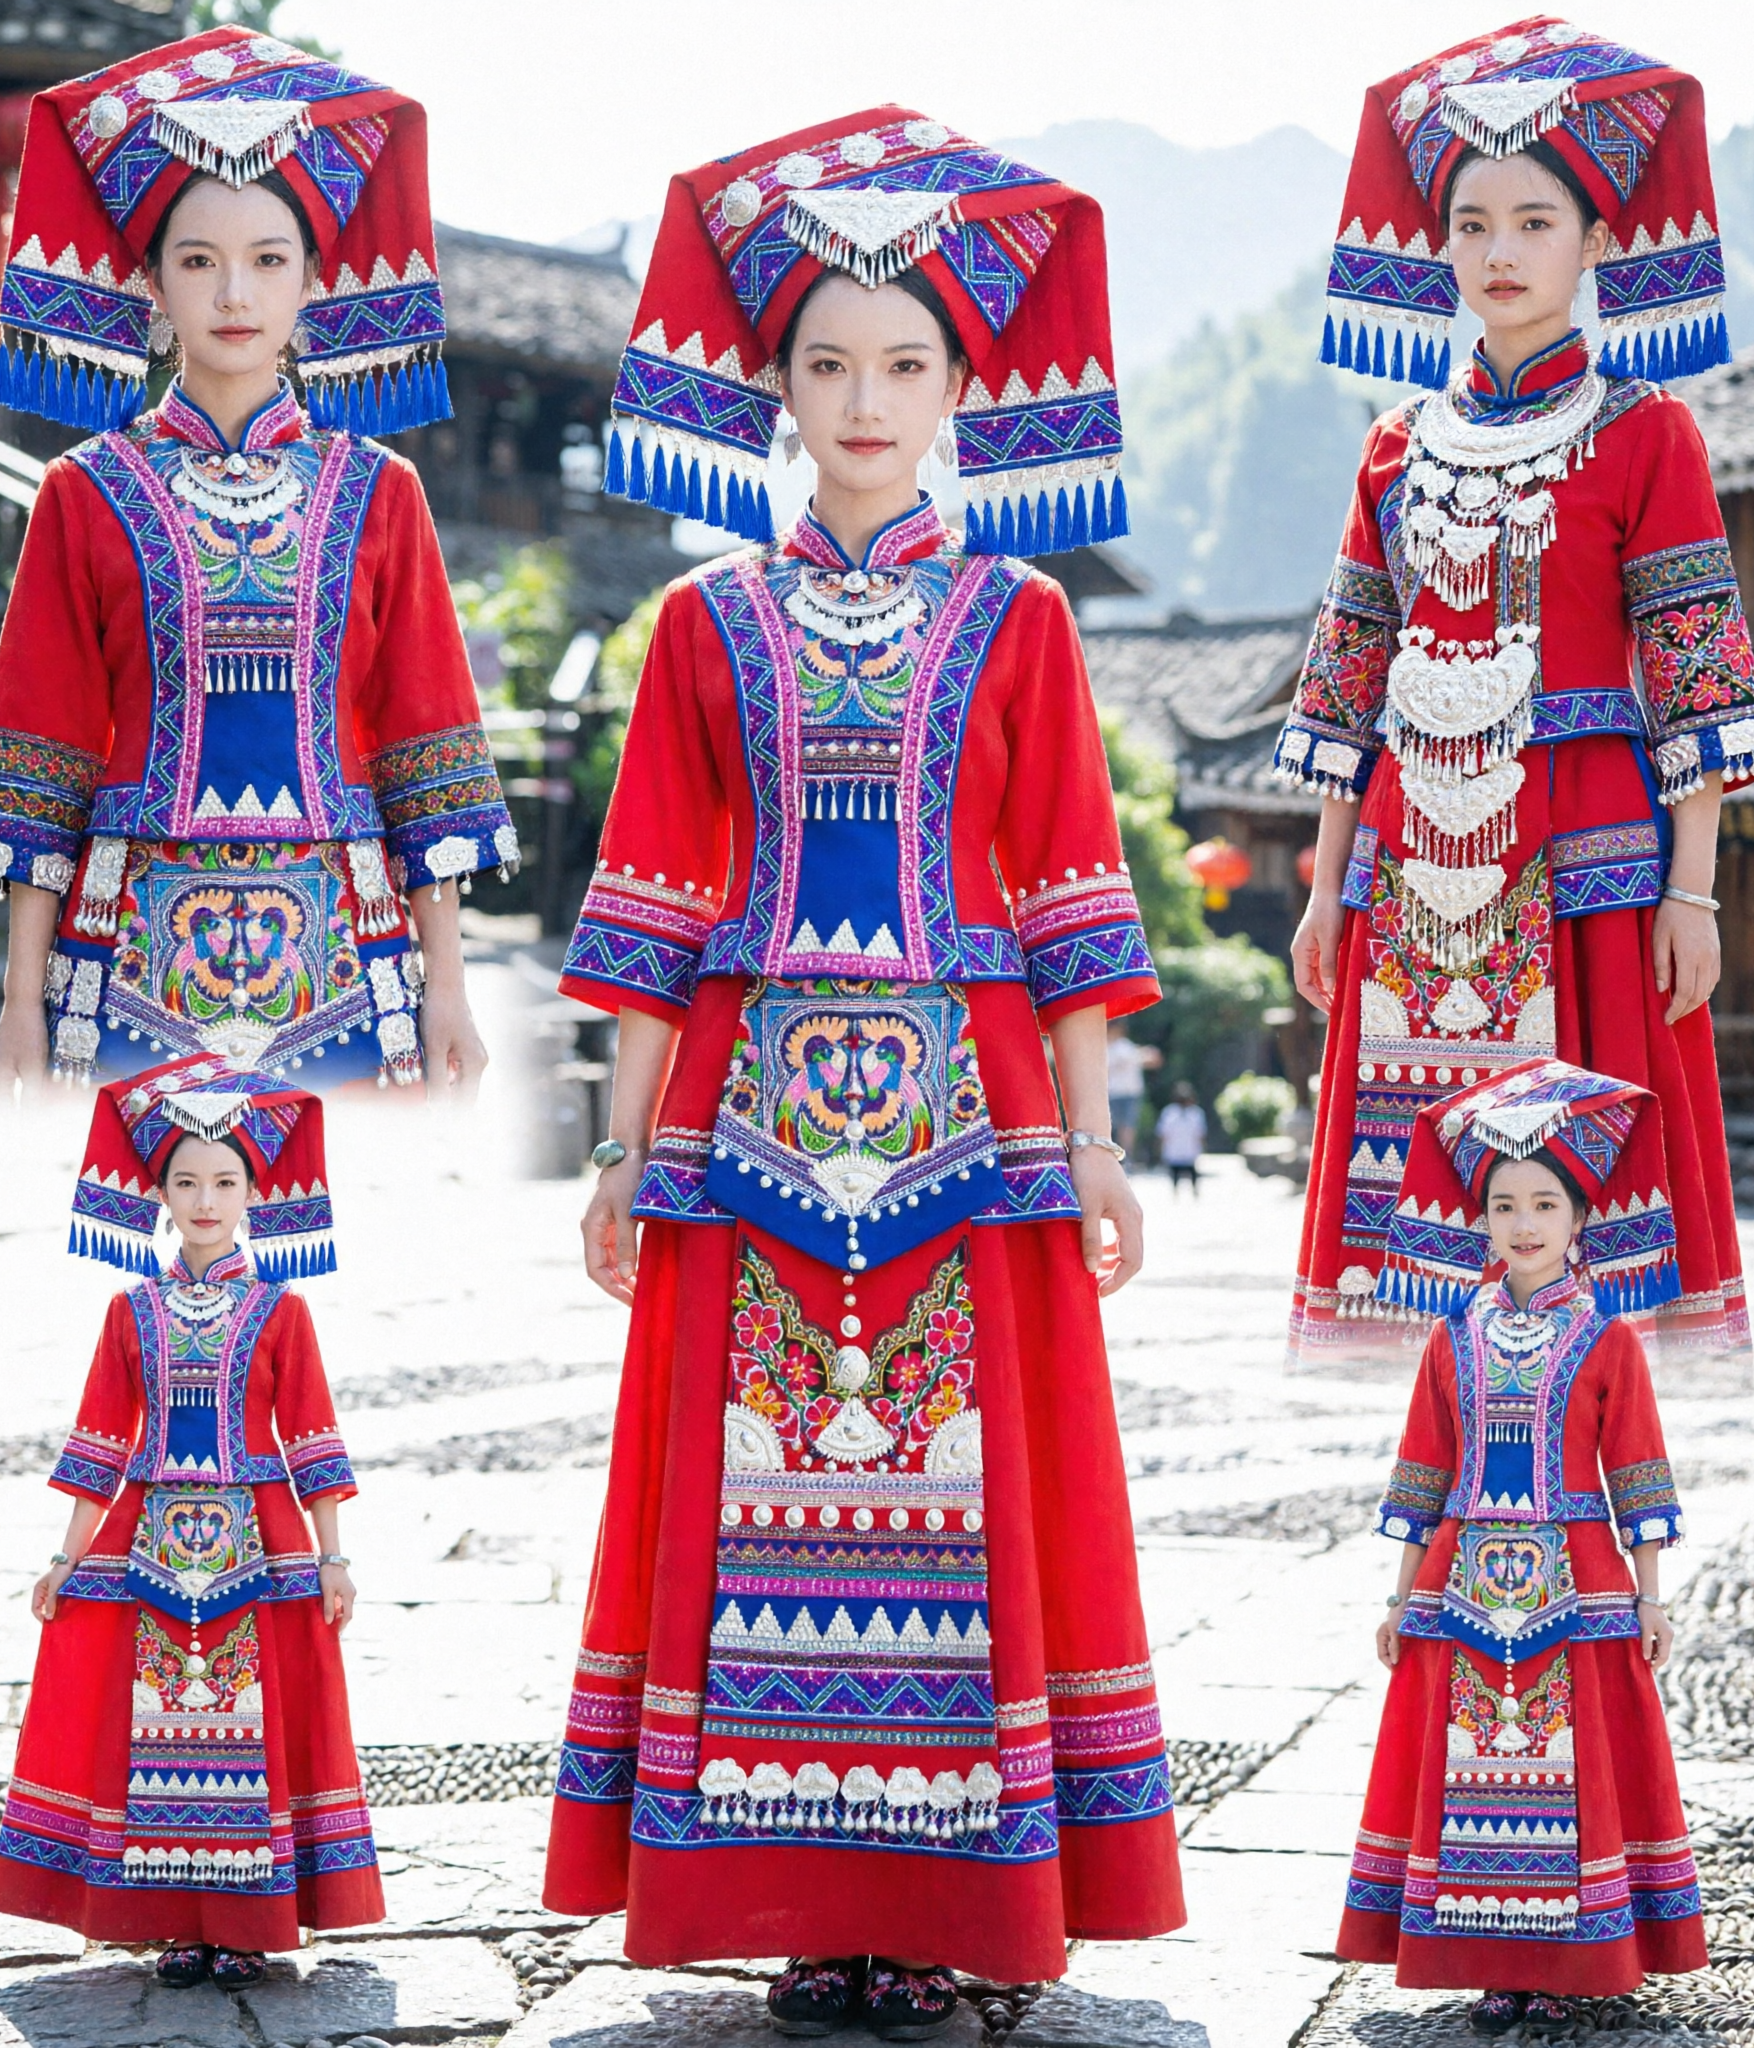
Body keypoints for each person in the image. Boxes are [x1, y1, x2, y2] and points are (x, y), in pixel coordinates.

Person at [543, 107, 1185, 2025]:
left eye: (903, 363)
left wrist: (1089, 1145)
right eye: (824, 362)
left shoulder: (1023, 619)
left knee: (963, 1500)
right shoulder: (699, 622)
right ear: (772, 388)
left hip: (969, 1124)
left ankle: (955, 1899)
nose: (862, 395)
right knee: (752, 1503)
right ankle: (798, 1895)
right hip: (740, 1129)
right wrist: (616, 1148)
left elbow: (1070, 891)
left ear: (960, 387)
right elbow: (653, 901)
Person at [1277, 21, 1754, 1367]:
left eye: (1535, 220)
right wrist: (1326, 890)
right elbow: (1346, 690)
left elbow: (1695, 676)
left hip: (1587, 853)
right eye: (1474, 221)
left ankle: (1588, 1512)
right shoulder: (1393, 446)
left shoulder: (1647, 430)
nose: (1501, 250)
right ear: (1438, 243)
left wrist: (1693, 889)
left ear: (1596, 241)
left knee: (1592, 1222)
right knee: (1422, 1238)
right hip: (1410, 858)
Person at [0, 25, 516, 1098]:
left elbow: (423, 751)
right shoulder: (86, 491)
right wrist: (18, 1011)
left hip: (351, 961)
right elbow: (41, 755)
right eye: (198, 261)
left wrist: (450, 987)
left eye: (268, 260)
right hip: (121, 966)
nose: (234, 295)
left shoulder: (380, 491)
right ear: (150, 285)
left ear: (312, 282)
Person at [0, 1055, 379, 1984]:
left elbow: (313, 1439)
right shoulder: (129, 1311)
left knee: (251, 1724)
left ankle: (247, 1923)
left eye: (226, 1181)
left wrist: (334, 1559)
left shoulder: (283, 1310)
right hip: (149, 1541)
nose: (207, 1199)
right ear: (158, 1195)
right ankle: (181, 1920)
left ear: (253, 1195)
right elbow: (99, 1445)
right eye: (187, 1181)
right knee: (157, 1729)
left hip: (262, 1543)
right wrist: (63, 1557)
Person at [1344, 1056, 1704, 2027]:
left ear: (1578, 1217)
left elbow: (1634, 1473)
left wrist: (1649, 1594)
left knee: (1572, 1769)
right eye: (1503, 1203)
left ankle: (1567, 1964)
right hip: (1462, 1585)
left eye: (1544, 1201)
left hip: (1575, 1586)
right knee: (1472, 1770)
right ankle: (1499, 1965)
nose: (1523, 1221)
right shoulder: (1448, 1335)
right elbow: (1420, 1472)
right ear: (1482, 1219)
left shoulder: (1606, 1339)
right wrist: (1395, 1593)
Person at [1104, 1019, 1160, 1161]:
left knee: (1127, 1128)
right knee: (1113, 1127)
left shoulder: (1125, 1047)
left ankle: (1125, 1157)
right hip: (1112, 1094)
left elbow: (1150, 1058)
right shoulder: (1106, 1048)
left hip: (1129, 1094)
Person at [1155, 1082, 1206, 1195]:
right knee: (1175, 1172)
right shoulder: (1169, 1113)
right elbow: (1163, 1134)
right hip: (1175, 1150)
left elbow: (1200, 1133)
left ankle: (1193, 1190)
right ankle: (1176, 1191)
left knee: (1191, 1171)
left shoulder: (1195, 1113)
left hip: (1189, 1150)